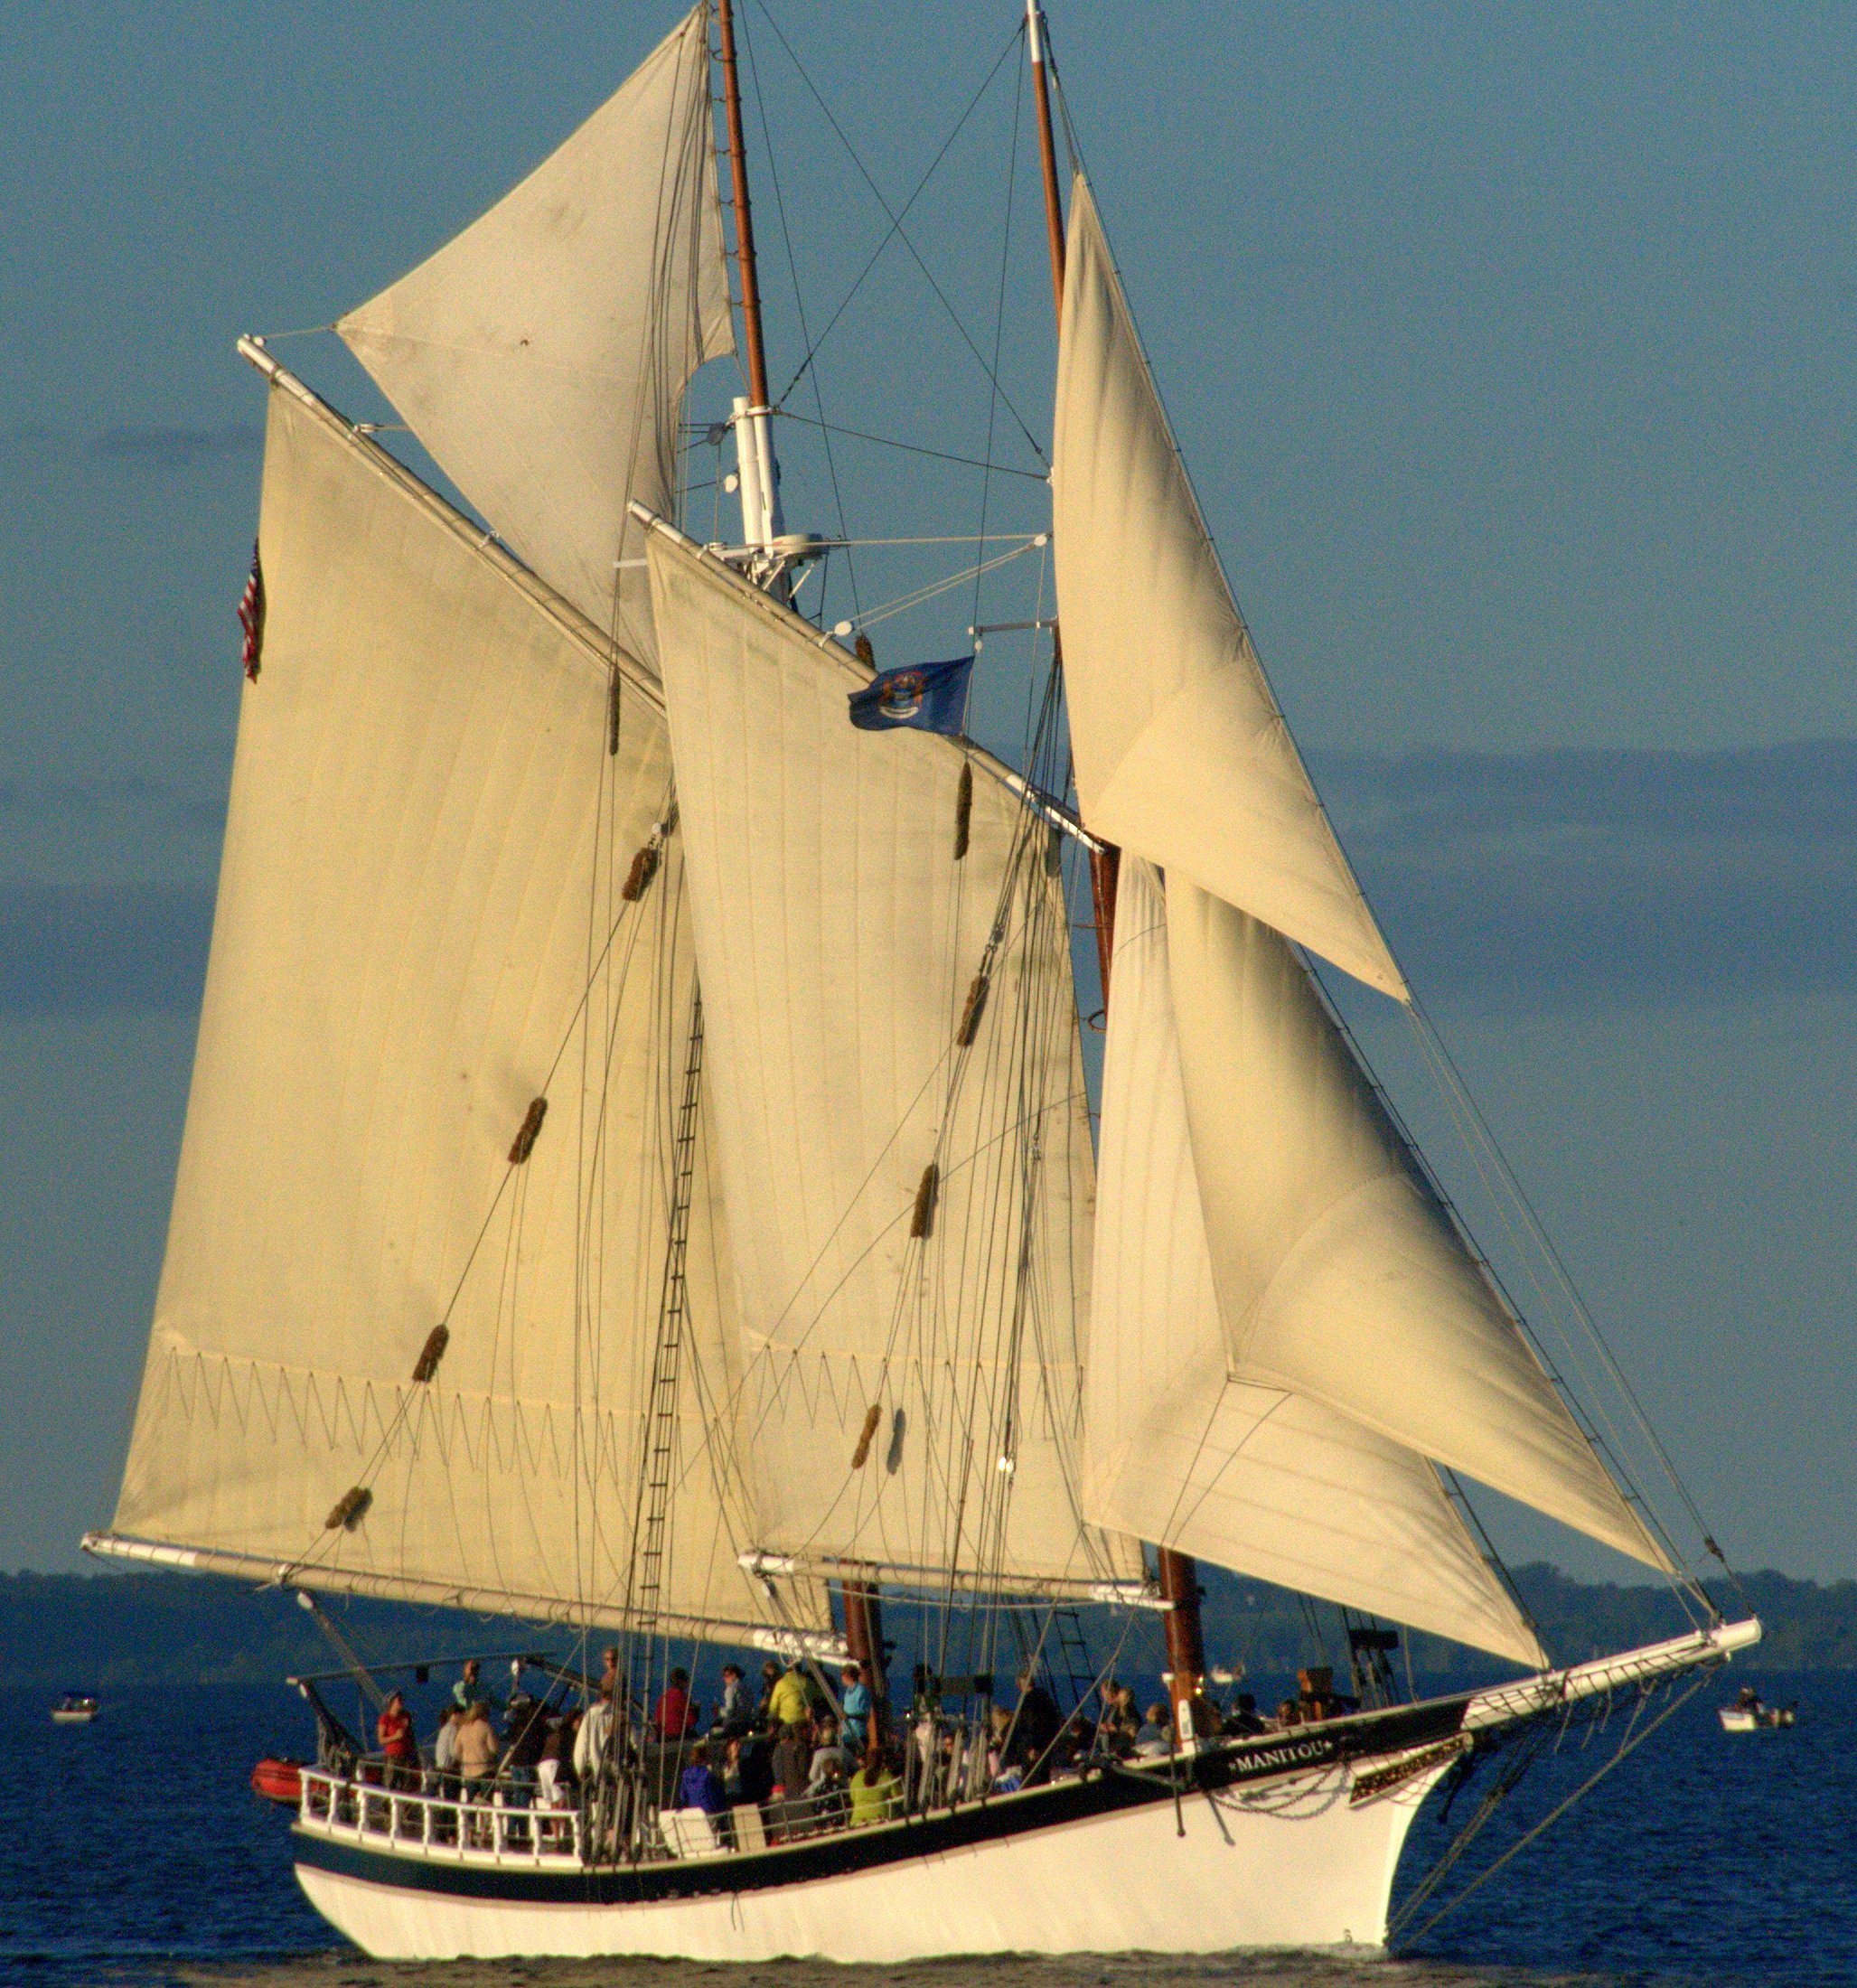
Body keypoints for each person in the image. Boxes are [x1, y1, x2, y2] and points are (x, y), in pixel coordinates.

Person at [1008, 1669, 1063, 1780]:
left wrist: (1032, 1746)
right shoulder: (1045, 1698)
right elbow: (1054, 1721)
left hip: (1033, 1748)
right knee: (1043, 1776)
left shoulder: (1028, 1701)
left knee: (1032, 1779)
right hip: (1047, 1744)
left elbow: (1031, 1724)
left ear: (1021, 1686)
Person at [848, 1743, 901, 1826]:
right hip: (882, 1820)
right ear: (882, 1762)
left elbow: (852, 1797)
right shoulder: (887, 1777)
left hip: (857, 1822)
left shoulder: (857, 1777)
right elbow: (898, 1798)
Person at [376, 1689, 417, 1789]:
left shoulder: (406, 1716)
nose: (401, 1703)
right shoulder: (385, 1719)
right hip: (393, 1757)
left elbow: (411, 1735)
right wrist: (395, 1737)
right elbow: (381, 1740)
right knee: (390, 1784)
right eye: (398, 1700)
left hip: (407, 1755)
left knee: (407, 1784)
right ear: (392, 1703)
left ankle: (406, 1804)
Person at [676, 1740, 728, 1817]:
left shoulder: (685, 1774)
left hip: (694, 1813)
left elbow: (683, 1796)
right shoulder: (706, 1775)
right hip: (708, 1812)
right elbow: (713, 1798)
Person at [766, 1657, 813, 1731]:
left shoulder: (780, 1684)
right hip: (802, 1724)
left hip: (785, 1724)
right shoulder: (807, 1682)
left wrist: (771, 1722)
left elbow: (773, 1708)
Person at [654, 1666, 697, 1740]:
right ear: (682, 1681)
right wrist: (695, 1711)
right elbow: (690, 1720)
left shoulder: (663, 1697)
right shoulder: (682, 1697)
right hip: (677, 1736)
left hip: (662, 1736)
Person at [839, 1661, 873, 1750]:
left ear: (847, 1676)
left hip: (858, 1734)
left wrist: (849, 1716)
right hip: (847, 1735)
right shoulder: (848, 1692)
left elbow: (865, 1715)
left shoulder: (861, 1691)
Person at [712, 1662, 749, 1735]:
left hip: (735, 1725)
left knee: (714, 1729)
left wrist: (718, 1711)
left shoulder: (731, 1689)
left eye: (726, 1676)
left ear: (734, 1675)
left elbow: (730, 1711)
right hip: (747, 1723)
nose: (724, 1678)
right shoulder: (746, 1688)